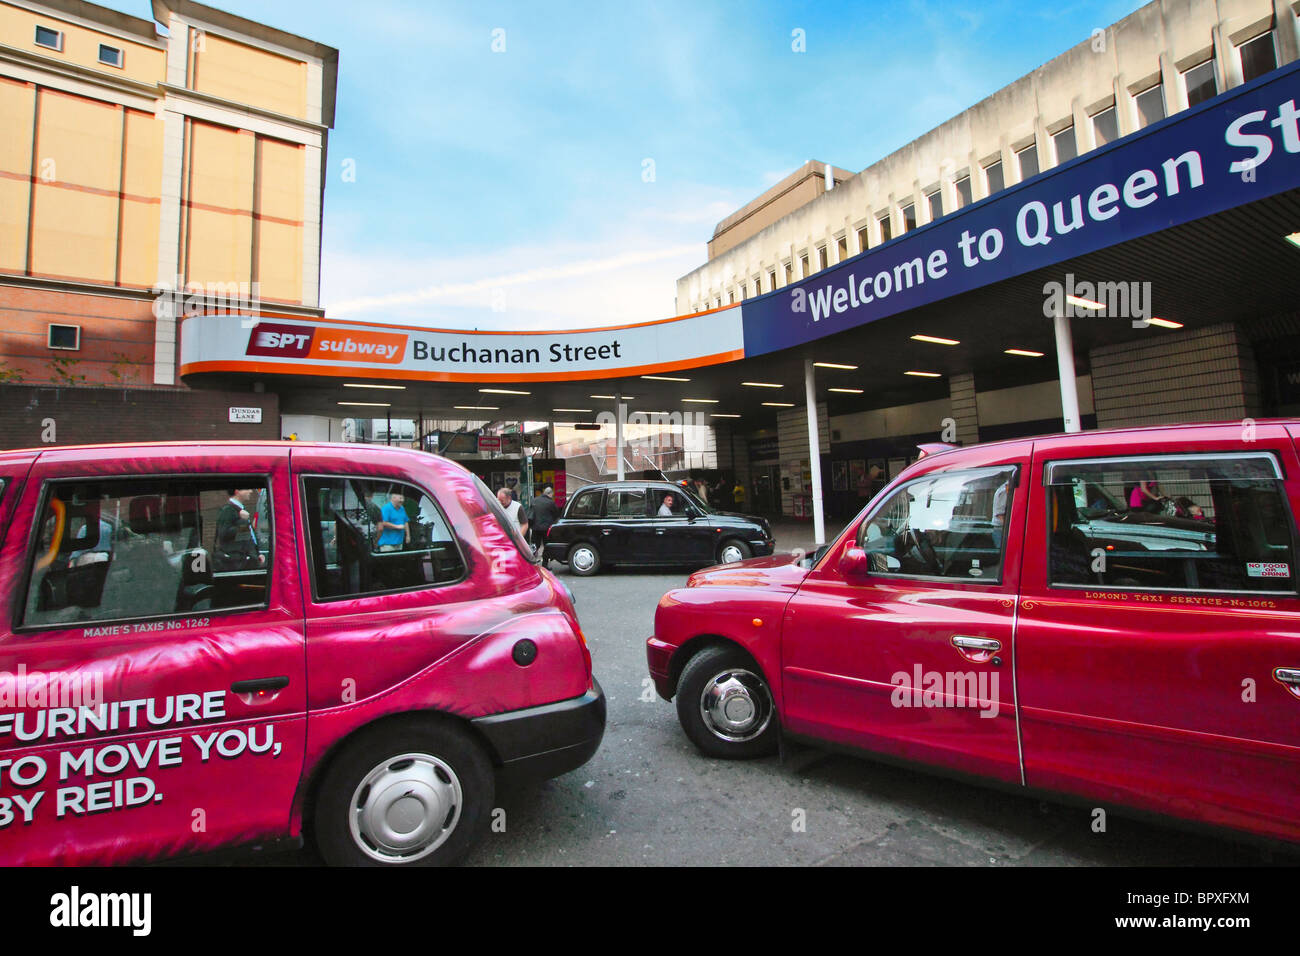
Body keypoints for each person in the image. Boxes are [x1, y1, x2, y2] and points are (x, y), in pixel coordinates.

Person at [215, 488, 264, 570]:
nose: (250, 491)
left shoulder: (240, 510)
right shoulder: (228, 510)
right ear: (237, 491)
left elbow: (246, 536)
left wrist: (256, 553)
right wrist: (243, 522)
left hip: (246, 561)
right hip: (236, 564)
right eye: (246, 489)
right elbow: (223, 534)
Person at [528, 485, 560, 557]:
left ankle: (531, 559)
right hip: (546, 528)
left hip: (535, 527)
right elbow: (556, 514)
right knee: (547, 545)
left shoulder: (534, 500)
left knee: (535, 545)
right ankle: (545, 563)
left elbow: (530, 514)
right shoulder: (551, 502)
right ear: (550, 494)